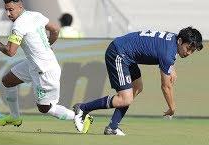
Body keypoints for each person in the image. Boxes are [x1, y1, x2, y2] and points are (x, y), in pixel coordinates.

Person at [0, 0, 92, 132]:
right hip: (34, 63)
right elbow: (55, 29)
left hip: (44, 70)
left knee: (45, 108)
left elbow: (10, 52)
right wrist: (47, 45)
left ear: (20, 6)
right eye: (6, 9)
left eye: (11, 9)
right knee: (8, 81)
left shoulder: (18, 26)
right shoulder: (35, 15)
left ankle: (79, 115)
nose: (8, 13)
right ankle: (15, 117)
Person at [73, 27, 203, 135]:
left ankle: (112, 127)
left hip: (127, 54)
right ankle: (83, 109)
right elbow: (166, 86)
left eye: (193, 50)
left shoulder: (174, 39)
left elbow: (165, 50)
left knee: (137, 87)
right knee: (125, 98)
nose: (189, 53)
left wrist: (172, 67)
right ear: (180, 41)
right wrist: (172, 107)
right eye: (188, 48)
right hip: (119, 53)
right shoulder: (169, 52)